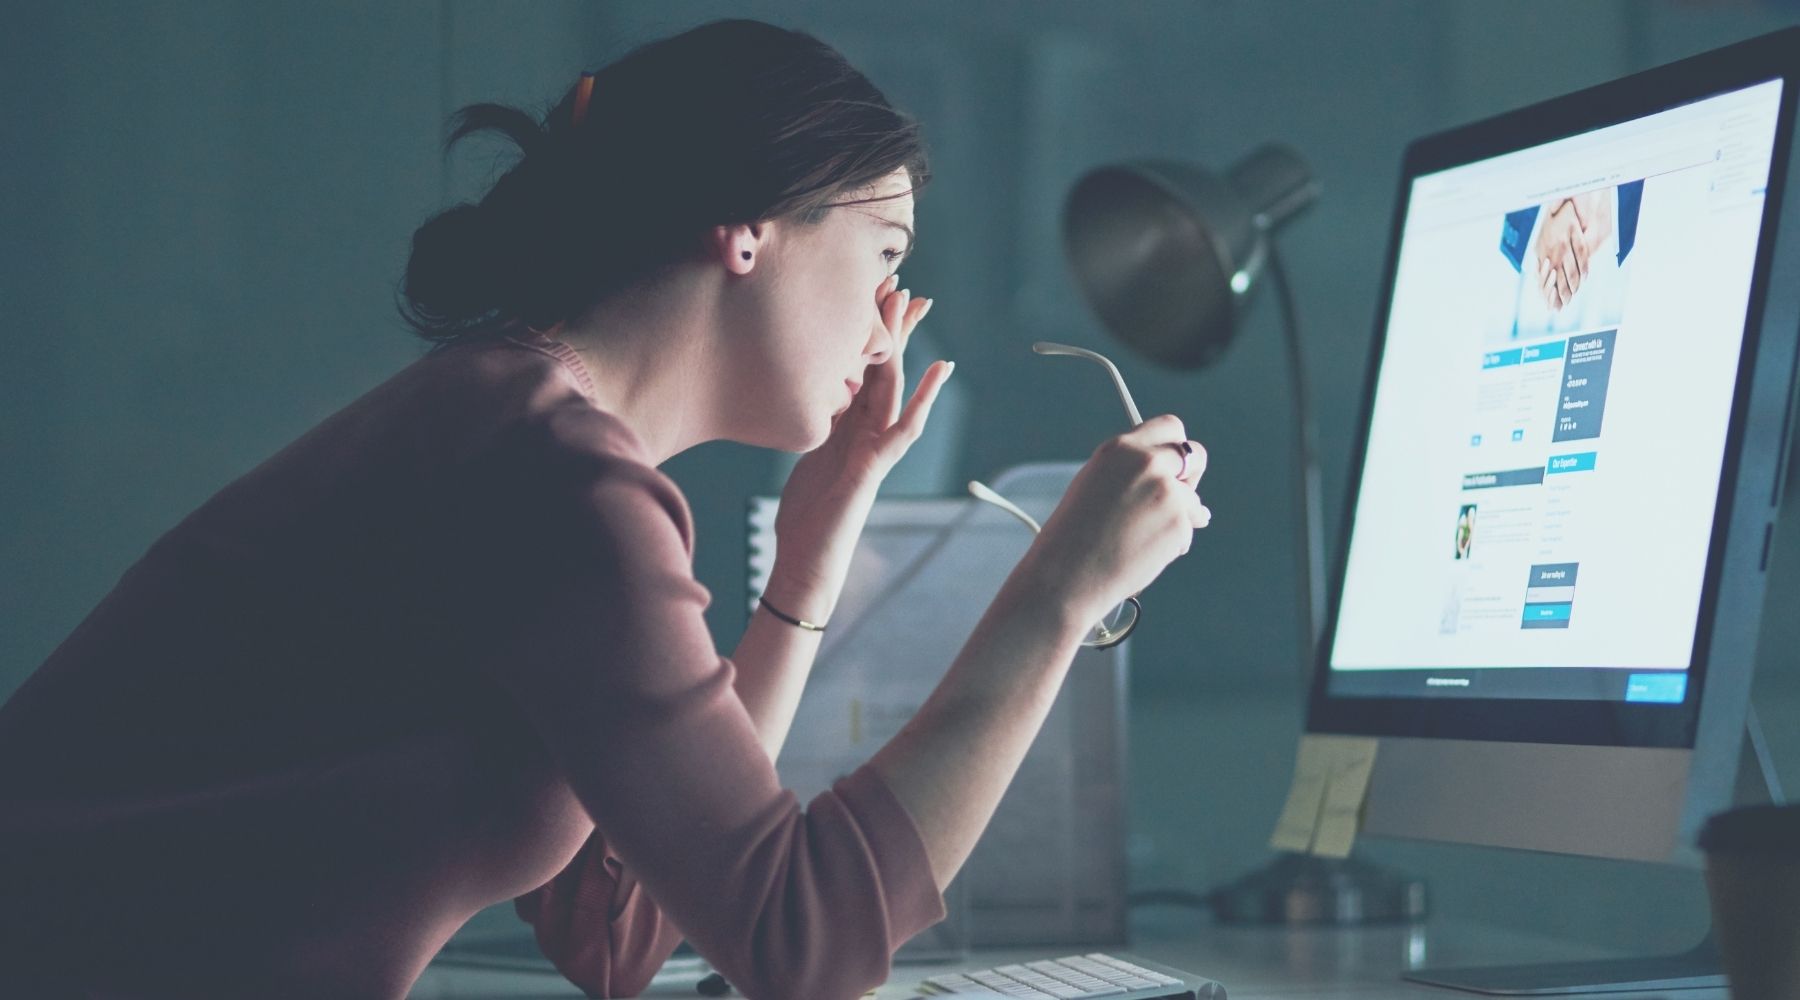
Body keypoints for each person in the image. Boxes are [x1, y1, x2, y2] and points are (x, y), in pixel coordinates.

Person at [0, 18, 1209, 1000]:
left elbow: (617, 936)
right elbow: (803, 946)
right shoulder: (553, 477)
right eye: (884, 251)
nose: (895, 310)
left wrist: (811, 549)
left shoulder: (523, 432)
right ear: (748, 226)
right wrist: (1060, 594)